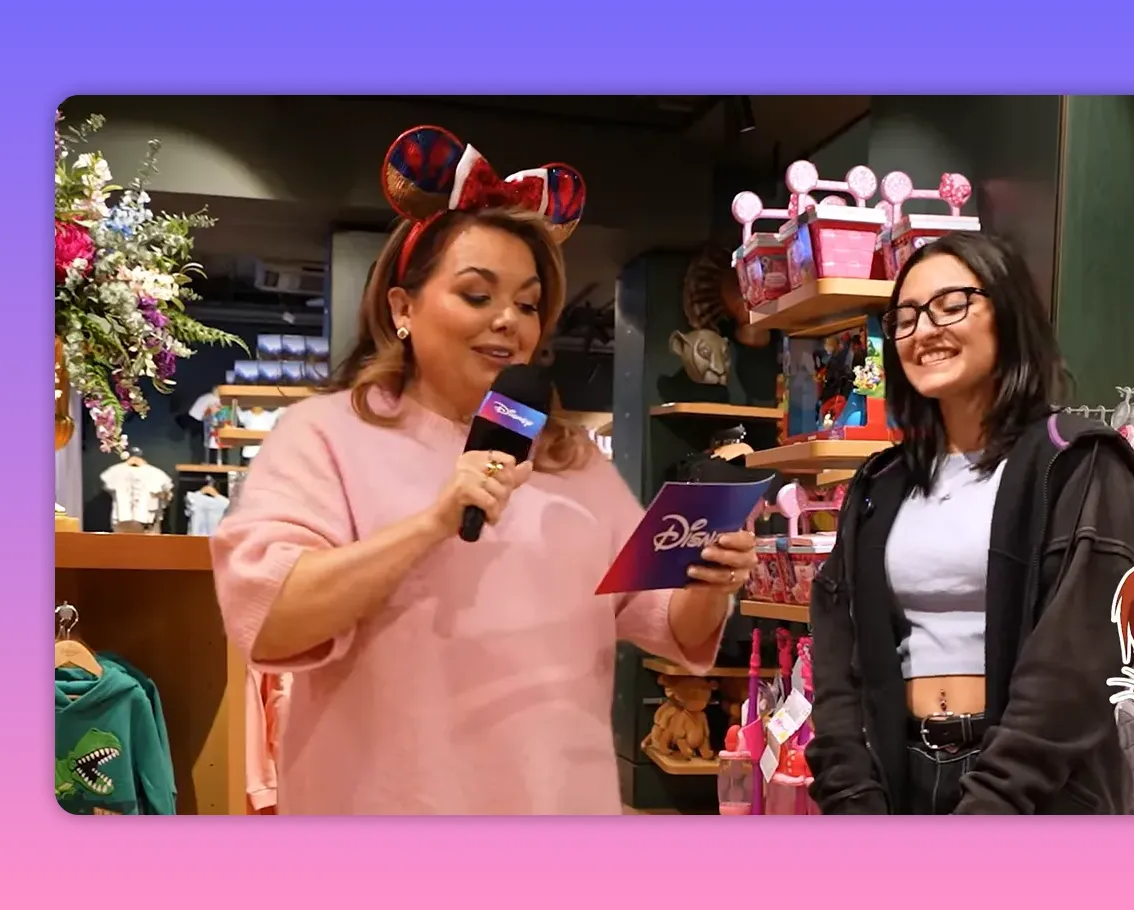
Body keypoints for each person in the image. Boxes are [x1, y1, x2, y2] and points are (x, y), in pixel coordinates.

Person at [211, 126, 758, 815]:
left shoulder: (571, 458)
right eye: (477, 295)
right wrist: (433, 524)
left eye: (528, 304)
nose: (509, 321)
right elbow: (271, 621)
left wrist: (710, 579)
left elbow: (664, 621)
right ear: (401, 308)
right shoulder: (324, 435)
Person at [806, 232, 1134, 815]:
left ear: (1008, 314)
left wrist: (989, 809)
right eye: (905, 317)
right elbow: (836, 646)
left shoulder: (1078, 464)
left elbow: (1073, 670)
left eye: (952, 305)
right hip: (899, 781)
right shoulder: (881, 483)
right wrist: (851, 793)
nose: (925, 330)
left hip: (1037, 793)